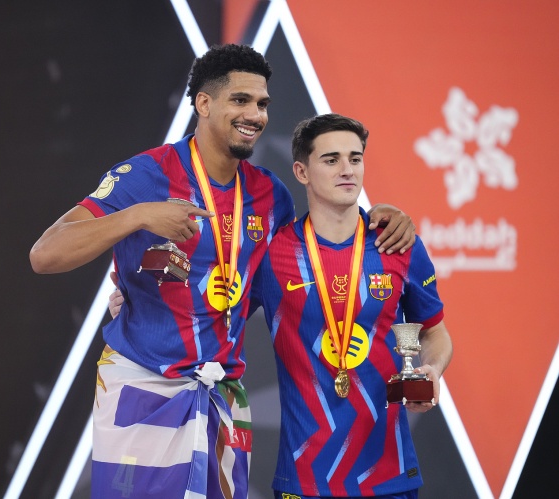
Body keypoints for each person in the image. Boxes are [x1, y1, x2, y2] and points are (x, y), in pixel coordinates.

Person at [31, 44, 414, 499]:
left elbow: (286, 275)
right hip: (144, 385)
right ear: (204, 103)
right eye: (241, 100)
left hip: (224, 394)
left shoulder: (271, 195)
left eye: (262, 103)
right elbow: (45, 254)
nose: (255, 114)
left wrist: (382, 219)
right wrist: (138, 216)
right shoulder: (146, 174)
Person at [250, 114, 453, 499]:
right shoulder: (272, 254)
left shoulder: (398, 245)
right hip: (306, 477)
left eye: (355, 158)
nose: (347, 169)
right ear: (302, 171)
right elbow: (216, 316)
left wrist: (432, 369)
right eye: (331, 160)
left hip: (388, 474)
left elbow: (434, 332)